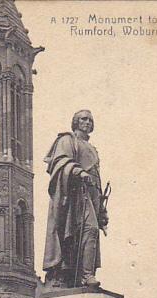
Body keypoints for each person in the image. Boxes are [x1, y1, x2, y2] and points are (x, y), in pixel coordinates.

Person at [42, 109, 109, 288]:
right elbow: (60, 163)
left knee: (89, 232)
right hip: (75, 195)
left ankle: (82, 275)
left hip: (91, 195)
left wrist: (102, 210)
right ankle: (87, 276)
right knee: (90, 229)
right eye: (83, 119)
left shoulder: (92, 149)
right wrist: (78, 171)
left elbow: (98, 179)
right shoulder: (67, 140)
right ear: (76, 122)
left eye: (90, 120)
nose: (87, 122)